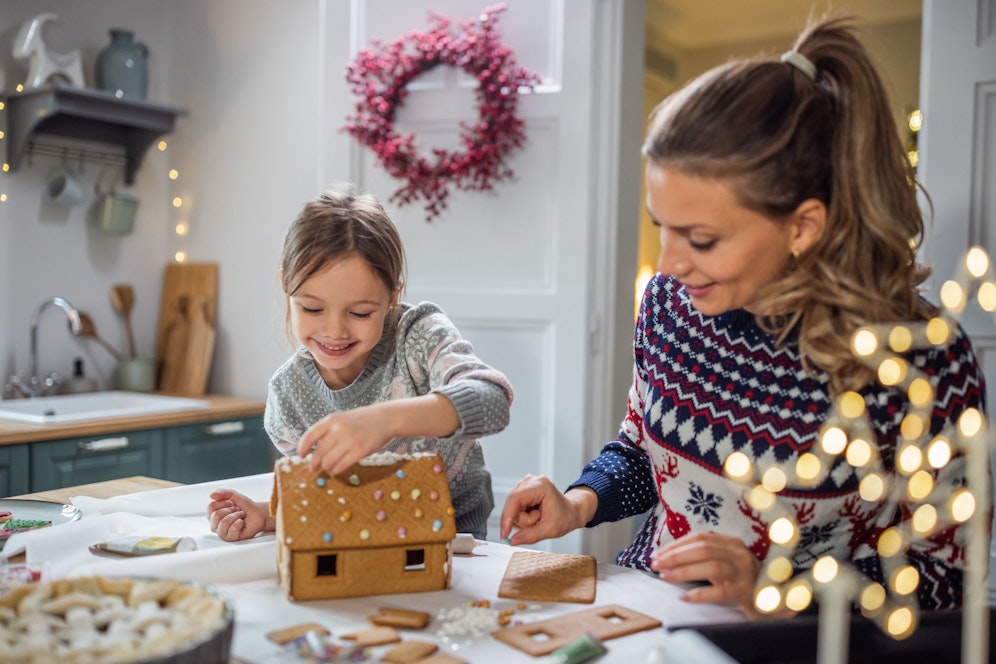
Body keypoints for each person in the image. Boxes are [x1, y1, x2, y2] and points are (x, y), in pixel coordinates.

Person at [500, 15, 986, 618]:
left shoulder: (925, 361)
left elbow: (947, 572)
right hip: (651, 623)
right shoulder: (670, 306)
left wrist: (775, 590)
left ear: (802, 226)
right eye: (662, 227)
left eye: (700, 239)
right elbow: (644, 451)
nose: (669, 262)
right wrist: (578, 502)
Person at [208, 186, 513, 541]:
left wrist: (385, 421)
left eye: (360, 312)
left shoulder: (417, 335)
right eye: (312, 308)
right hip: (359, 533)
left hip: (454, 530)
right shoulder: (288, 395)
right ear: (286, 287)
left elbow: (492, 400)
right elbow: (328, 500)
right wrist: (266, 514)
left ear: (392, 297)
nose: (334, 330)